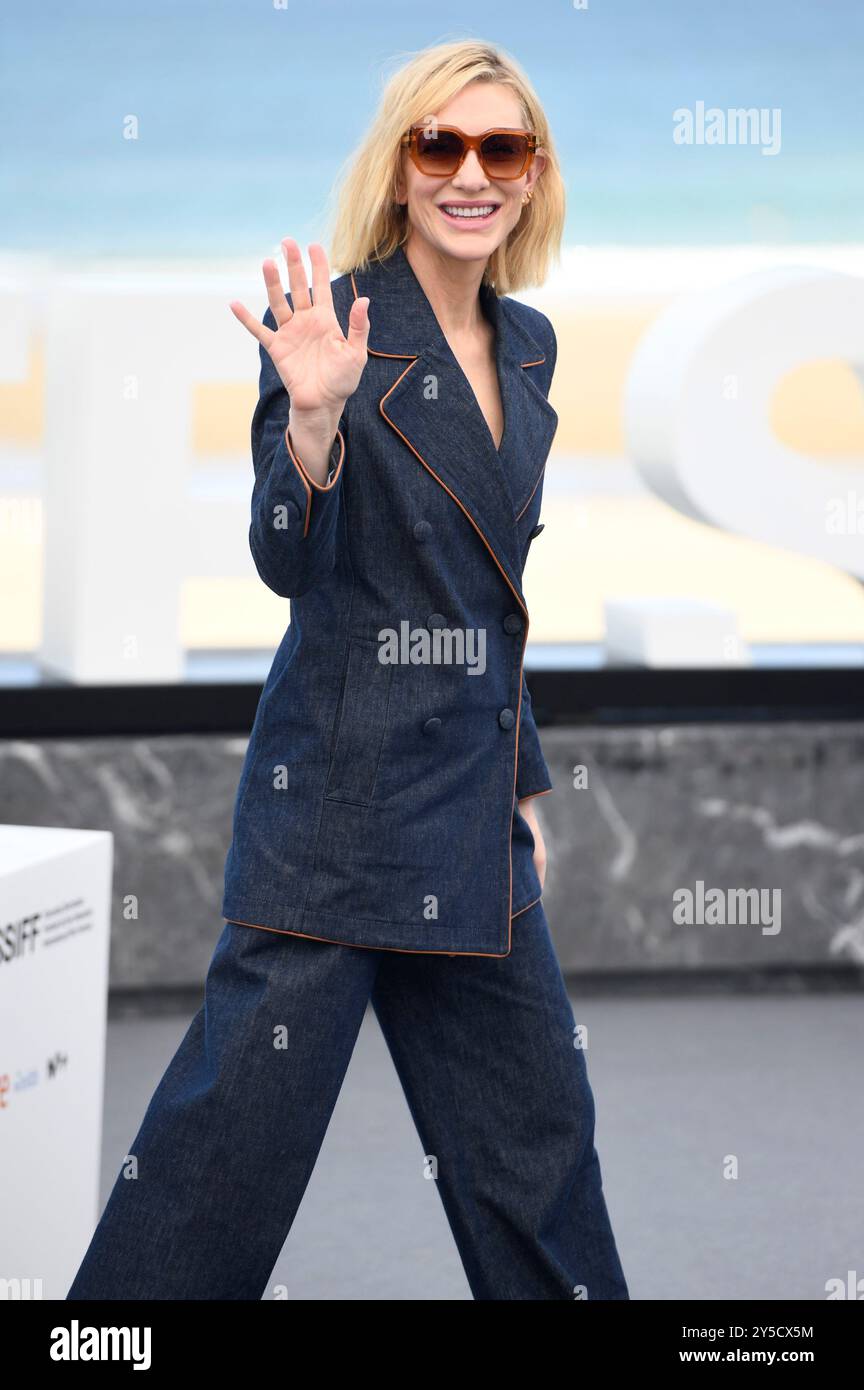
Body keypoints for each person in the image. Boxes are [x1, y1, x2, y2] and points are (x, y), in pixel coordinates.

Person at [66, 38, 629, 1301]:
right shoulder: (335, 329)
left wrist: (524, 788)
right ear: (399, 170)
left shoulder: (531, 349)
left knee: (540, 1164)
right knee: (215, 1177)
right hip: (334, 831)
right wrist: (313, 423)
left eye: (503, 149)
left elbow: (493, 601)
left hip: (472, 834)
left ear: (533, 176)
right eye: (443, 145)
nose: (471, 174)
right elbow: (284, 557)